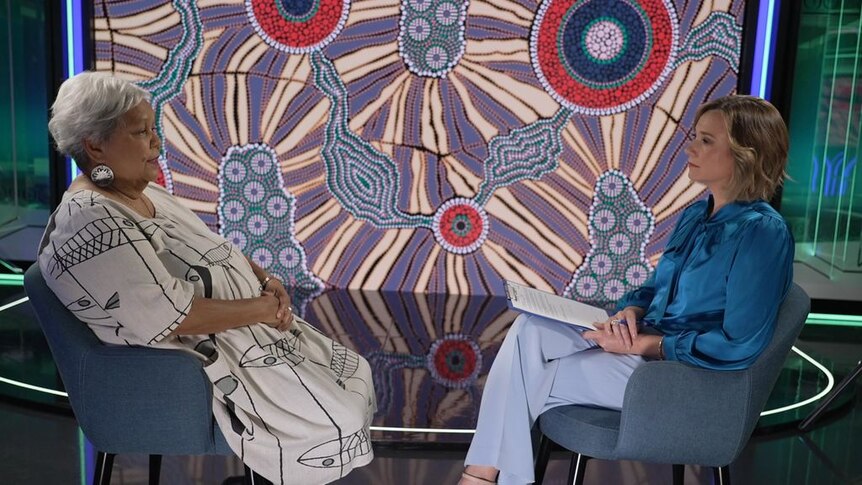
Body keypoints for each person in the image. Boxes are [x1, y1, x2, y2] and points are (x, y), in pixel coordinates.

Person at [39, 71, 376, 485]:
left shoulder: (142, 191)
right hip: (202, 359)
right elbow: (172, 316)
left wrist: (266, 278)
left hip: (250, 330)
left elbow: (214, 246)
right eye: (141, 133)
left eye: (153, 129)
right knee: (335, 416)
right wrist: (265, 309)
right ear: (95, 145)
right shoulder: (92, 222)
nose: (156, 144)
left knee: (355, 374)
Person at [459, 95, 794, 484]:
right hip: (645, 357)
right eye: (694, 136)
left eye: (706, 140)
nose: (690, 147)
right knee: (529, 331)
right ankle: (483, 478)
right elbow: (653, 290)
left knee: (524, 378)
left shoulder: (761, 234)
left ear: (745, 155)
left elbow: (740, 344)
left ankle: (480, 478)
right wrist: (630, 314)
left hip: (686, 380)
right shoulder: (695, 216)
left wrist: (643, 346)